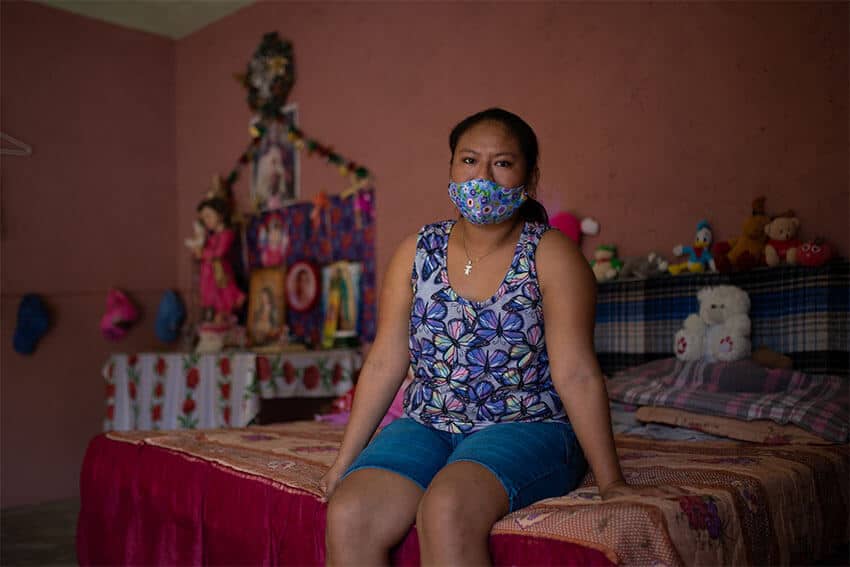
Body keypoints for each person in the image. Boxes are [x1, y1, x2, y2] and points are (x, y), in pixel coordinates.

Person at [321, 108, 680, 566]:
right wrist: (342, 462)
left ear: (528, 178)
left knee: (447, 508)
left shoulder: (551, 255)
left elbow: (576, 372)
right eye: (469, 161)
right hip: (428, 422)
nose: (482, 177)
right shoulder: (416, 251)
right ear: (451, 168)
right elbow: (383, 361)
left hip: (526, 425)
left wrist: (611, 482)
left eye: (502, 163)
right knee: (350, 511)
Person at [193, 198, 245, 325]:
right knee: (213, 310)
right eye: (204, 218)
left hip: (220, 276)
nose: (206, 221)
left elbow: (219, 254)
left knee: (224, 307)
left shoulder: (227, 234)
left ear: (220, 215)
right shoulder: (210, 237)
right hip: (209, 278)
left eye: (209, 216)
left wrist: (202, 253)